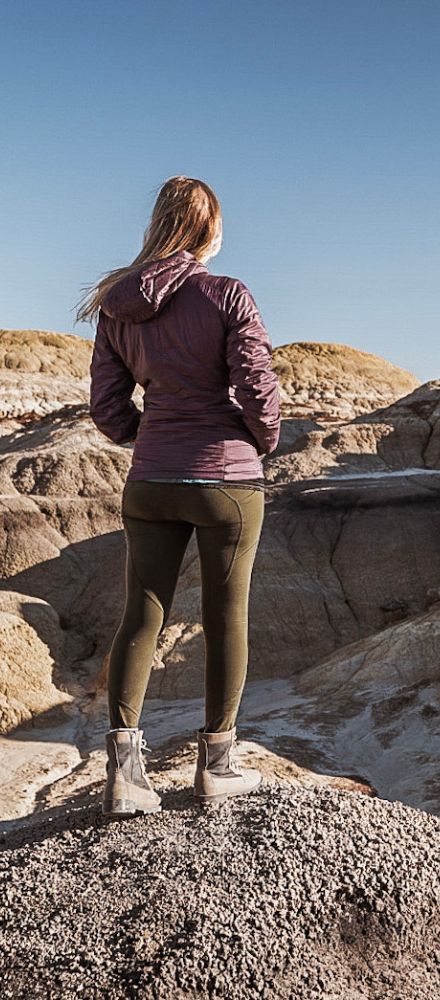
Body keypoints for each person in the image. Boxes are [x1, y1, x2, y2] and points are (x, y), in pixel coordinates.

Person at [75, 175, 281, 817]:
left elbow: (108, 411)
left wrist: (155, 437)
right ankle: (217, 766)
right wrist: (259, 439)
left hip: (150, 481)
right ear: (208, 229)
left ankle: (124, 778)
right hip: (226, 480)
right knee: (226, 619)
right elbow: (257, 391)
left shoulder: (116, 305)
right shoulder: (227, 294)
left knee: (142, 613)